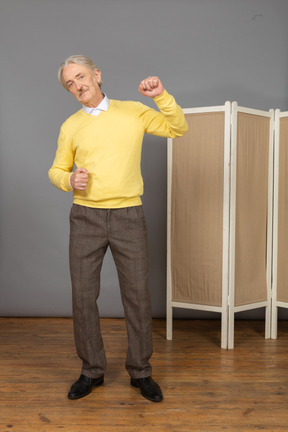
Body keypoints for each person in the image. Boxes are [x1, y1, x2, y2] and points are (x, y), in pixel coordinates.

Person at [49, 55, 188, 402]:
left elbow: (177, 128)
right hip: (85, 218)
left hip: (128, 215)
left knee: (137, 297)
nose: (78, 85)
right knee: (82, 297)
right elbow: (55, 170)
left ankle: (141, 371)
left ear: (96, 74)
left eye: (81, 76)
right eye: (70, 83)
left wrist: (160, 96)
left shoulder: (132, 112)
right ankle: (91, 370)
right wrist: (69, 178)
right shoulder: (70, 126)